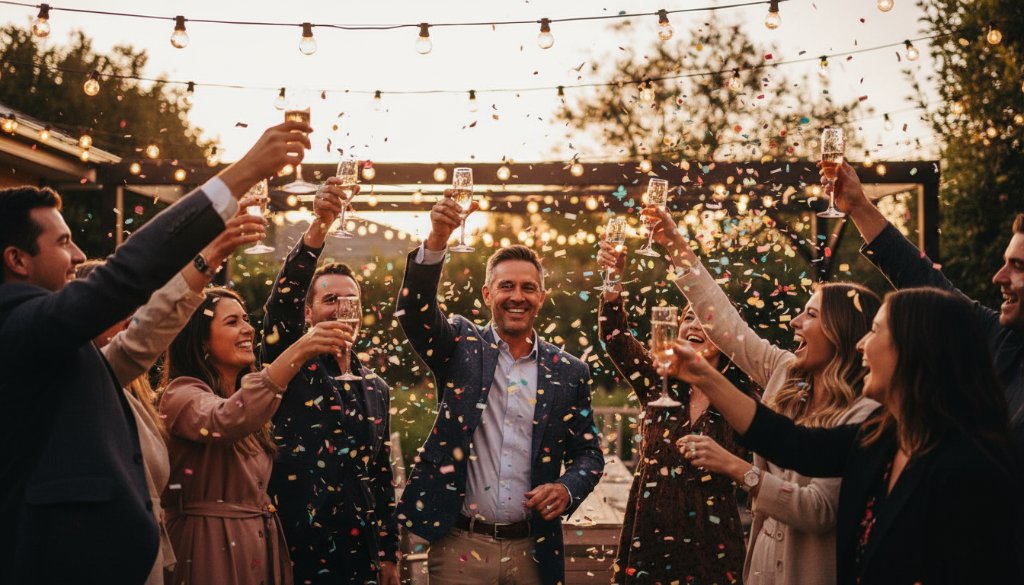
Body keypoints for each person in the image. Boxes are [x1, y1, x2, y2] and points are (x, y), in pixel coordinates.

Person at [0, 120, 309, 585]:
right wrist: (243, 173)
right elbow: (125, 275)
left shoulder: (54, 345)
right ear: (17, 260)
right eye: (63, 242)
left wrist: (206, 261)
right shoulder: (19, 325)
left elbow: (139, 343)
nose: (80, 255)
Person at [665, 287, 1023, 584]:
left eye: (876, 331)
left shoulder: (970, 467)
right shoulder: (881, 437)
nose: (862, 344)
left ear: (915, 349)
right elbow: (791, 443)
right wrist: (701, 375)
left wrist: (739, 469)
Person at [645, 207, 882, 585]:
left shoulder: (863, 411)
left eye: (810, 315)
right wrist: (675, 245)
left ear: (840, 330)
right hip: (761, 566)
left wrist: (740, 469)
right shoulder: (785, 372)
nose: (794, 322)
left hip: (808, 570)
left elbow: (819, 511)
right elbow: (724, 324)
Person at [395, 193, 605, 585]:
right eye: (506, 285)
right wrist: (438, 238)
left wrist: (566, 487)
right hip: (459, 544)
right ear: (487, 293)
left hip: (533, 550)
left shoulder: (569, 372)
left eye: (529, 288)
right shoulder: (461, 344)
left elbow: (590, 454)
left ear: (541, 298)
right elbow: (414, 312)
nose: (517, 296)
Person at [74, 209, 261, 585]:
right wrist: (209, 255)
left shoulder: (134, 392)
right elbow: (226, 419)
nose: (132, 317)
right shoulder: (175, 394)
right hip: (109, 557)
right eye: (121, 308)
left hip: (150, 558)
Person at [159, 287, 349, 585]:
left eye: (246, 319)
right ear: (201, 340)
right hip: (207, 549)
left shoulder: (248, 399)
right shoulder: (180, 396)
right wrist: (299, 350)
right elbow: (225, 419)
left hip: (256, 547)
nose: (249, 328)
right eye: (232, 322)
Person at [828, 162, 1024, 450]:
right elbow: (926, 282)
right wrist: (858, 207)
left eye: (1018, 266)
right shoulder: (1002, 338)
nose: (999, 277)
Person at [262, 180, 398, 585]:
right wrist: (319, 227)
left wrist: (389, 553)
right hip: (296, 547)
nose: (341, 309)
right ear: (308, 312)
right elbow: (281, 300)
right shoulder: (287, 365)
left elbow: (381, 474)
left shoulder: (376, 387)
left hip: (362, 556)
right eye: (329, 300)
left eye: (349, 300)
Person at [597, 235, 751, 585]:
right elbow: (615, 337)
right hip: (649, 533)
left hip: (714, 542)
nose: (695, 326)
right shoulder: (658, 382)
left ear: (728, 336)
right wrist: (613, 278)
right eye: (689, 318)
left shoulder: (744, 398)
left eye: (707, 320)